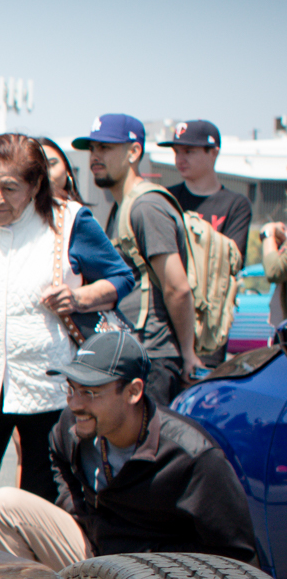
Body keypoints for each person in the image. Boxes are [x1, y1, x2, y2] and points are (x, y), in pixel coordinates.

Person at [0, 134, 134, 543]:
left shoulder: (71, 221)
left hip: (53, 392)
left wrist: (79, 297)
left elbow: (122, 278)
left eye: (10, 188)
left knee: (46, 504)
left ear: (36, 185)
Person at [0, 331, 256, 568]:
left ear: (133, 392)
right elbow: (60, 461)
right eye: (71, 388)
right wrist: (83, 517)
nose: (75, 404)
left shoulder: (192, 457)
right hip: (96, 556)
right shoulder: (72, 427)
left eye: (90, 392)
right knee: (1, 506)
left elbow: (236, 554)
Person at [74, 113, 201, 404]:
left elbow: (177, 287)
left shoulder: (147, 206)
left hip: (155, 357)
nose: (95, 156)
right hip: (134, 352)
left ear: (134, 151)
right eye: (92, 148)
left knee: (148, 447)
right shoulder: (122, 206)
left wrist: (188, 353)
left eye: (105, 147)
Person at [161, 120, 253, 263]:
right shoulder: (165, 198)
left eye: (188, 151)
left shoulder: (235, 204)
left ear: (213, 153)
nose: (180, 159)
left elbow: (232, 261)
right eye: (176, 152)